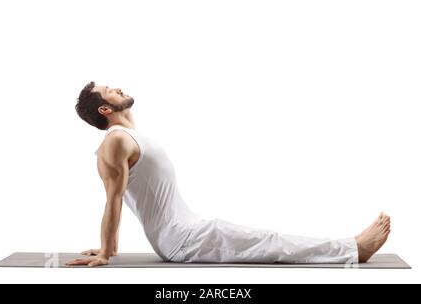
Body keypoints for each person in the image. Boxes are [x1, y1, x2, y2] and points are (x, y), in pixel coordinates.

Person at [67, 81, 391, 267]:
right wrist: (107, 252)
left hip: (188, 231)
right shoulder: (116, 142)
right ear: (104, 110)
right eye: (109, 90)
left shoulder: (130, 138)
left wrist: (108, 246)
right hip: (183, 240)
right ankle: (353, 250)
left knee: (269, 241)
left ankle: (350, 249)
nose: (117, 87)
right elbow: (114, 199)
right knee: (271, 242)